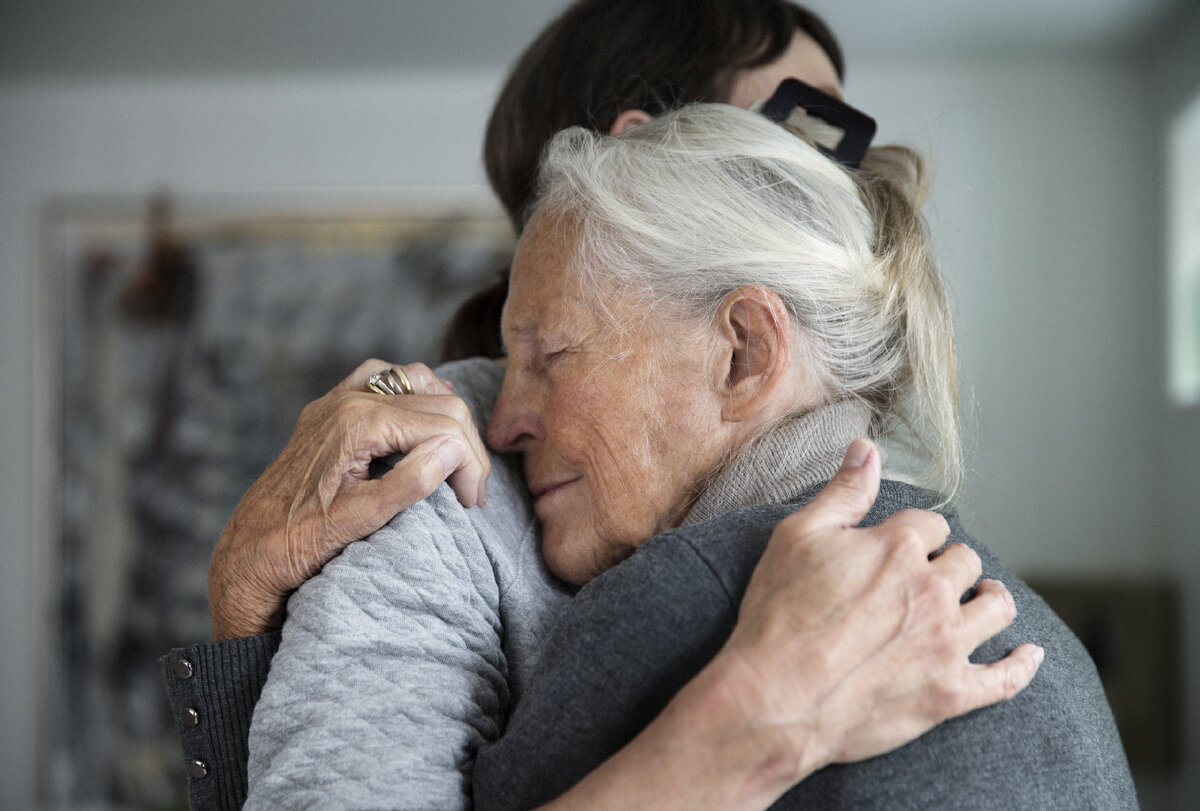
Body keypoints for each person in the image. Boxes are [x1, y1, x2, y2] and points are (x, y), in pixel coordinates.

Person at [162, 2, 1041, 807]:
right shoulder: (438, 478)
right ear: (649, 147)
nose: (841, 187)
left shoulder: (879, 515)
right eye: (807, 131)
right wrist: (756, 723)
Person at [460, 102, 1135, 808]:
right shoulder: (1037, 628)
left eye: (552, 353)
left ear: (744, 353)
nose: (502, 424)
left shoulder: (668, 606)